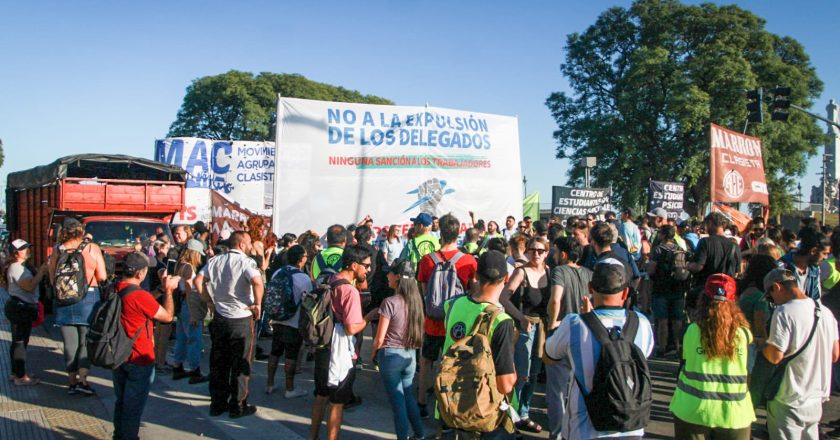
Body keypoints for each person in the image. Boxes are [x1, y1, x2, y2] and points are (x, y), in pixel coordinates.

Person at [544, 259, 654, 439]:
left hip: (584, 428)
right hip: (631, 425)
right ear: (625, 292)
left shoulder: (575, 324)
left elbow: (549, 355)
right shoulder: (641, 322)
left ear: (589, 288)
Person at [440, 250, 517, 438]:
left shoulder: (451, 305)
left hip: (448, 403)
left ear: (476, 275)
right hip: (482, 411)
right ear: (506, 278)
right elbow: (505, 384)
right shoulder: (501, 321)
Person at [669, 274, 755, 439]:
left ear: (703, 298)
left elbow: (685, 362)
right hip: (734, 412)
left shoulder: (692, 330)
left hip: (692, 408)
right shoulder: (743, 333)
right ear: (734, 300)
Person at [761, 268, 840, 439]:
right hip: (817, 396)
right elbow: (835, 355)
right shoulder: (825, 312)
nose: (772, 300)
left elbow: (775, 356)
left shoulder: (784, 312)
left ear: (777, 287)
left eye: (769, 295)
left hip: (789, 396)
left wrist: (762, 345)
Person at [194, 231, 265, 418]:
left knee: (219, 361)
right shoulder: (245, 262)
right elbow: (257, 282)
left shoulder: (215, 260)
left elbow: (198, 280)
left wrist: (208, 300)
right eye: (249, 243)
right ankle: (238, 405)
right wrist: (257, 304)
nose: (251, 247)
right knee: (241, 363)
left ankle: (217, 403)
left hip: (220, 316)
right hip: (240, 317)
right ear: (242, 244)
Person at [310, 245, 375, 440]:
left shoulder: (331, 278)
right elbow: (351, 327)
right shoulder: (349, 291)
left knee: (321, 396)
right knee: (337, 402)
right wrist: (369, 317)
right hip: (338, 351)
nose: (369, 270)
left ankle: (312, 436)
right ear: (354, 265)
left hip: (324, 344)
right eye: (366, 266)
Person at [416, 214, 477, 419]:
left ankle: (422, 401)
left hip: (433, 320)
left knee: (426, 361)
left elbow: (424, 288)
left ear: (439, 232)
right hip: (456, 321)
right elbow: (472, 290)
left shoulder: (427, 260)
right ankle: (448, 406)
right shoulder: (468, 261)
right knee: (454, 363)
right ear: (458, 232)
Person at [112, 252, 179, 440]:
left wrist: (159, 288)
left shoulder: (114, 288)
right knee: (133, 408)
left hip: (118, 354)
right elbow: (167, 316)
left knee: (122, 402)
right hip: (139, 357)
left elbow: (142, 302)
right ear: (141, 274)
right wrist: (168, 291)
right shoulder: (139, 296)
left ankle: (119, 436)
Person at [49, 217, 108, 396]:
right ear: (81, 230)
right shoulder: (91, 248)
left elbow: (52, 278)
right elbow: (102, 276)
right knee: (84, 341)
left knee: (70, 343)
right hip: (88, 297)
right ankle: (83, 380)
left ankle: (72, 382)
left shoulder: (57, 251)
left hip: (63, 298)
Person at [370, 258, 425, 440]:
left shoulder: (389, 302)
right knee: (408, 396)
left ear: (398, 277)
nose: (388, 275)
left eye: (391, 272)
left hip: (391, 355)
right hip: (410, 354)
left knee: (397, 403)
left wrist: (373, 353)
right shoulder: (416, 301)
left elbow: (379, 338)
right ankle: (419, 434)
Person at [500, 237, 551, 433]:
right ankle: (513, 416)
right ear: (527, 252)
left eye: (540, 251)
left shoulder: (548, 271)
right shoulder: (521, 272)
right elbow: (504, 297)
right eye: (532, 250)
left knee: (535, 372)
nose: (536, 254)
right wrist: (521, 318)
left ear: (546, 252)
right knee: (522, 374)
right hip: (524, 330)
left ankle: (524, 412)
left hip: (542, 329)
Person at [544, 236, 592, 439]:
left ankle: (557, 433)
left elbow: (556, 299)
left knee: (556, 390)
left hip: (562, 332)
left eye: (555, 251)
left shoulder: (559, 271)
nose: (552, 254)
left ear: (563, 254)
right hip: (586, 334)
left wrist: (551, 322)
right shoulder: (590, 273)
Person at [265, 245, 311, 398]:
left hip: (277, 318)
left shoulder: (278, 272)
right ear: (300, 259)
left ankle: (270, 384)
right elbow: (308, 301)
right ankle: (289, 388)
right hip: (294, 321)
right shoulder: (303, 278)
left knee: (275, 352)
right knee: (291, 356)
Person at [3, 239, 47, 385]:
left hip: (19, 306)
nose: (28, 250)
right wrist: (41, 271)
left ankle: (16, 373)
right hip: (20, 308)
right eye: (23, 248)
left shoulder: (19, 266)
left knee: (18, 341)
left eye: (28, 247)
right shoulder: (17, 267)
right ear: (16, 253)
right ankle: (20, 377)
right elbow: (29, 286)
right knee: (20, 342)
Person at [170, 240, 208, 384]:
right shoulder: (188, 268)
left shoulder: (180, 265)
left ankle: (177, 366)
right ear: (194, 253)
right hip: (189, 305)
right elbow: (188, 289)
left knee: (182, 337)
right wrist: (193, 313)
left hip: (182, 306)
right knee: (194, 339)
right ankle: (194, 370)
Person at [647, 225, 687, 357]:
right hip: (678, 288)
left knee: (662, 319)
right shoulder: (680, 250)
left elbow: (651, 270)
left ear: (663, 235)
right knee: (677, 320)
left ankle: (662, 347)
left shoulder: (658, 250)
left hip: (661, 288)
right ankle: (678, 346)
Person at [736, 254, 776, 373]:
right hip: (752, 347)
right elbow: (759, 329)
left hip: (739, 342)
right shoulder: (760, 298)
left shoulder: (745, 290)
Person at [688, 212, 741, 285]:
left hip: (707, 288)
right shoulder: (735, 246)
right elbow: (737, 272)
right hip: (727, 290)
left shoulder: (705, 242)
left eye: (706, 225)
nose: (705, 228)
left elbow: (698, 267)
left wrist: (688, 265)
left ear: (710, 223)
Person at [778, 228, 829, 301]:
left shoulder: (814, 270)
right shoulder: (782, 267)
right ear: (813, 251)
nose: (826, 257)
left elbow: (816, 299)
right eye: (824, 253)